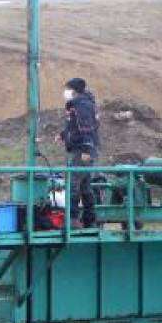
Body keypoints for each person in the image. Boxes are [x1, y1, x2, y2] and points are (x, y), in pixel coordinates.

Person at [58, 78, 101, 228]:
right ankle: (90, 219)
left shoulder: (81, 105)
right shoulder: (82, 104)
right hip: (84, 148)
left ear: (74, 90)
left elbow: (87, 128)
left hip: (83, 149)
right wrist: (64, 135)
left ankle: (73, 219)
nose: (66, 92)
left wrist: (87, 149)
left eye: (68, 88)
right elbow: (75, 126)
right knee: (84, 185)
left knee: (74, 182)